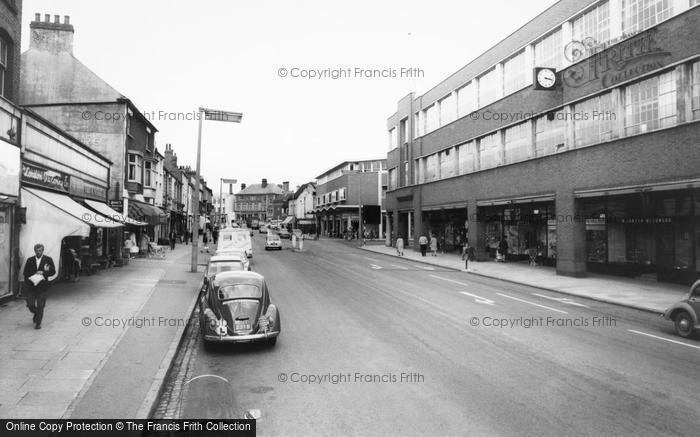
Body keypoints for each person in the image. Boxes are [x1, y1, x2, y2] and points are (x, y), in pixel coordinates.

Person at [23, 243, 56, 329]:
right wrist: (32, 277)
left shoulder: (48, 259)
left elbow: (53, 271)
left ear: (42, 250)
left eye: (40, 250)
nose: (38, 252)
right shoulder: (29, 260)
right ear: (34, 251)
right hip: (31, 286)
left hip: (42, 286)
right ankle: (36, 313)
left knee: (40, 305)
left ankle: (38, 323)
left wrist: (44, 272)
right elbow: (25, 273)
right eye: (37, 251)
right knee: (30, 305)